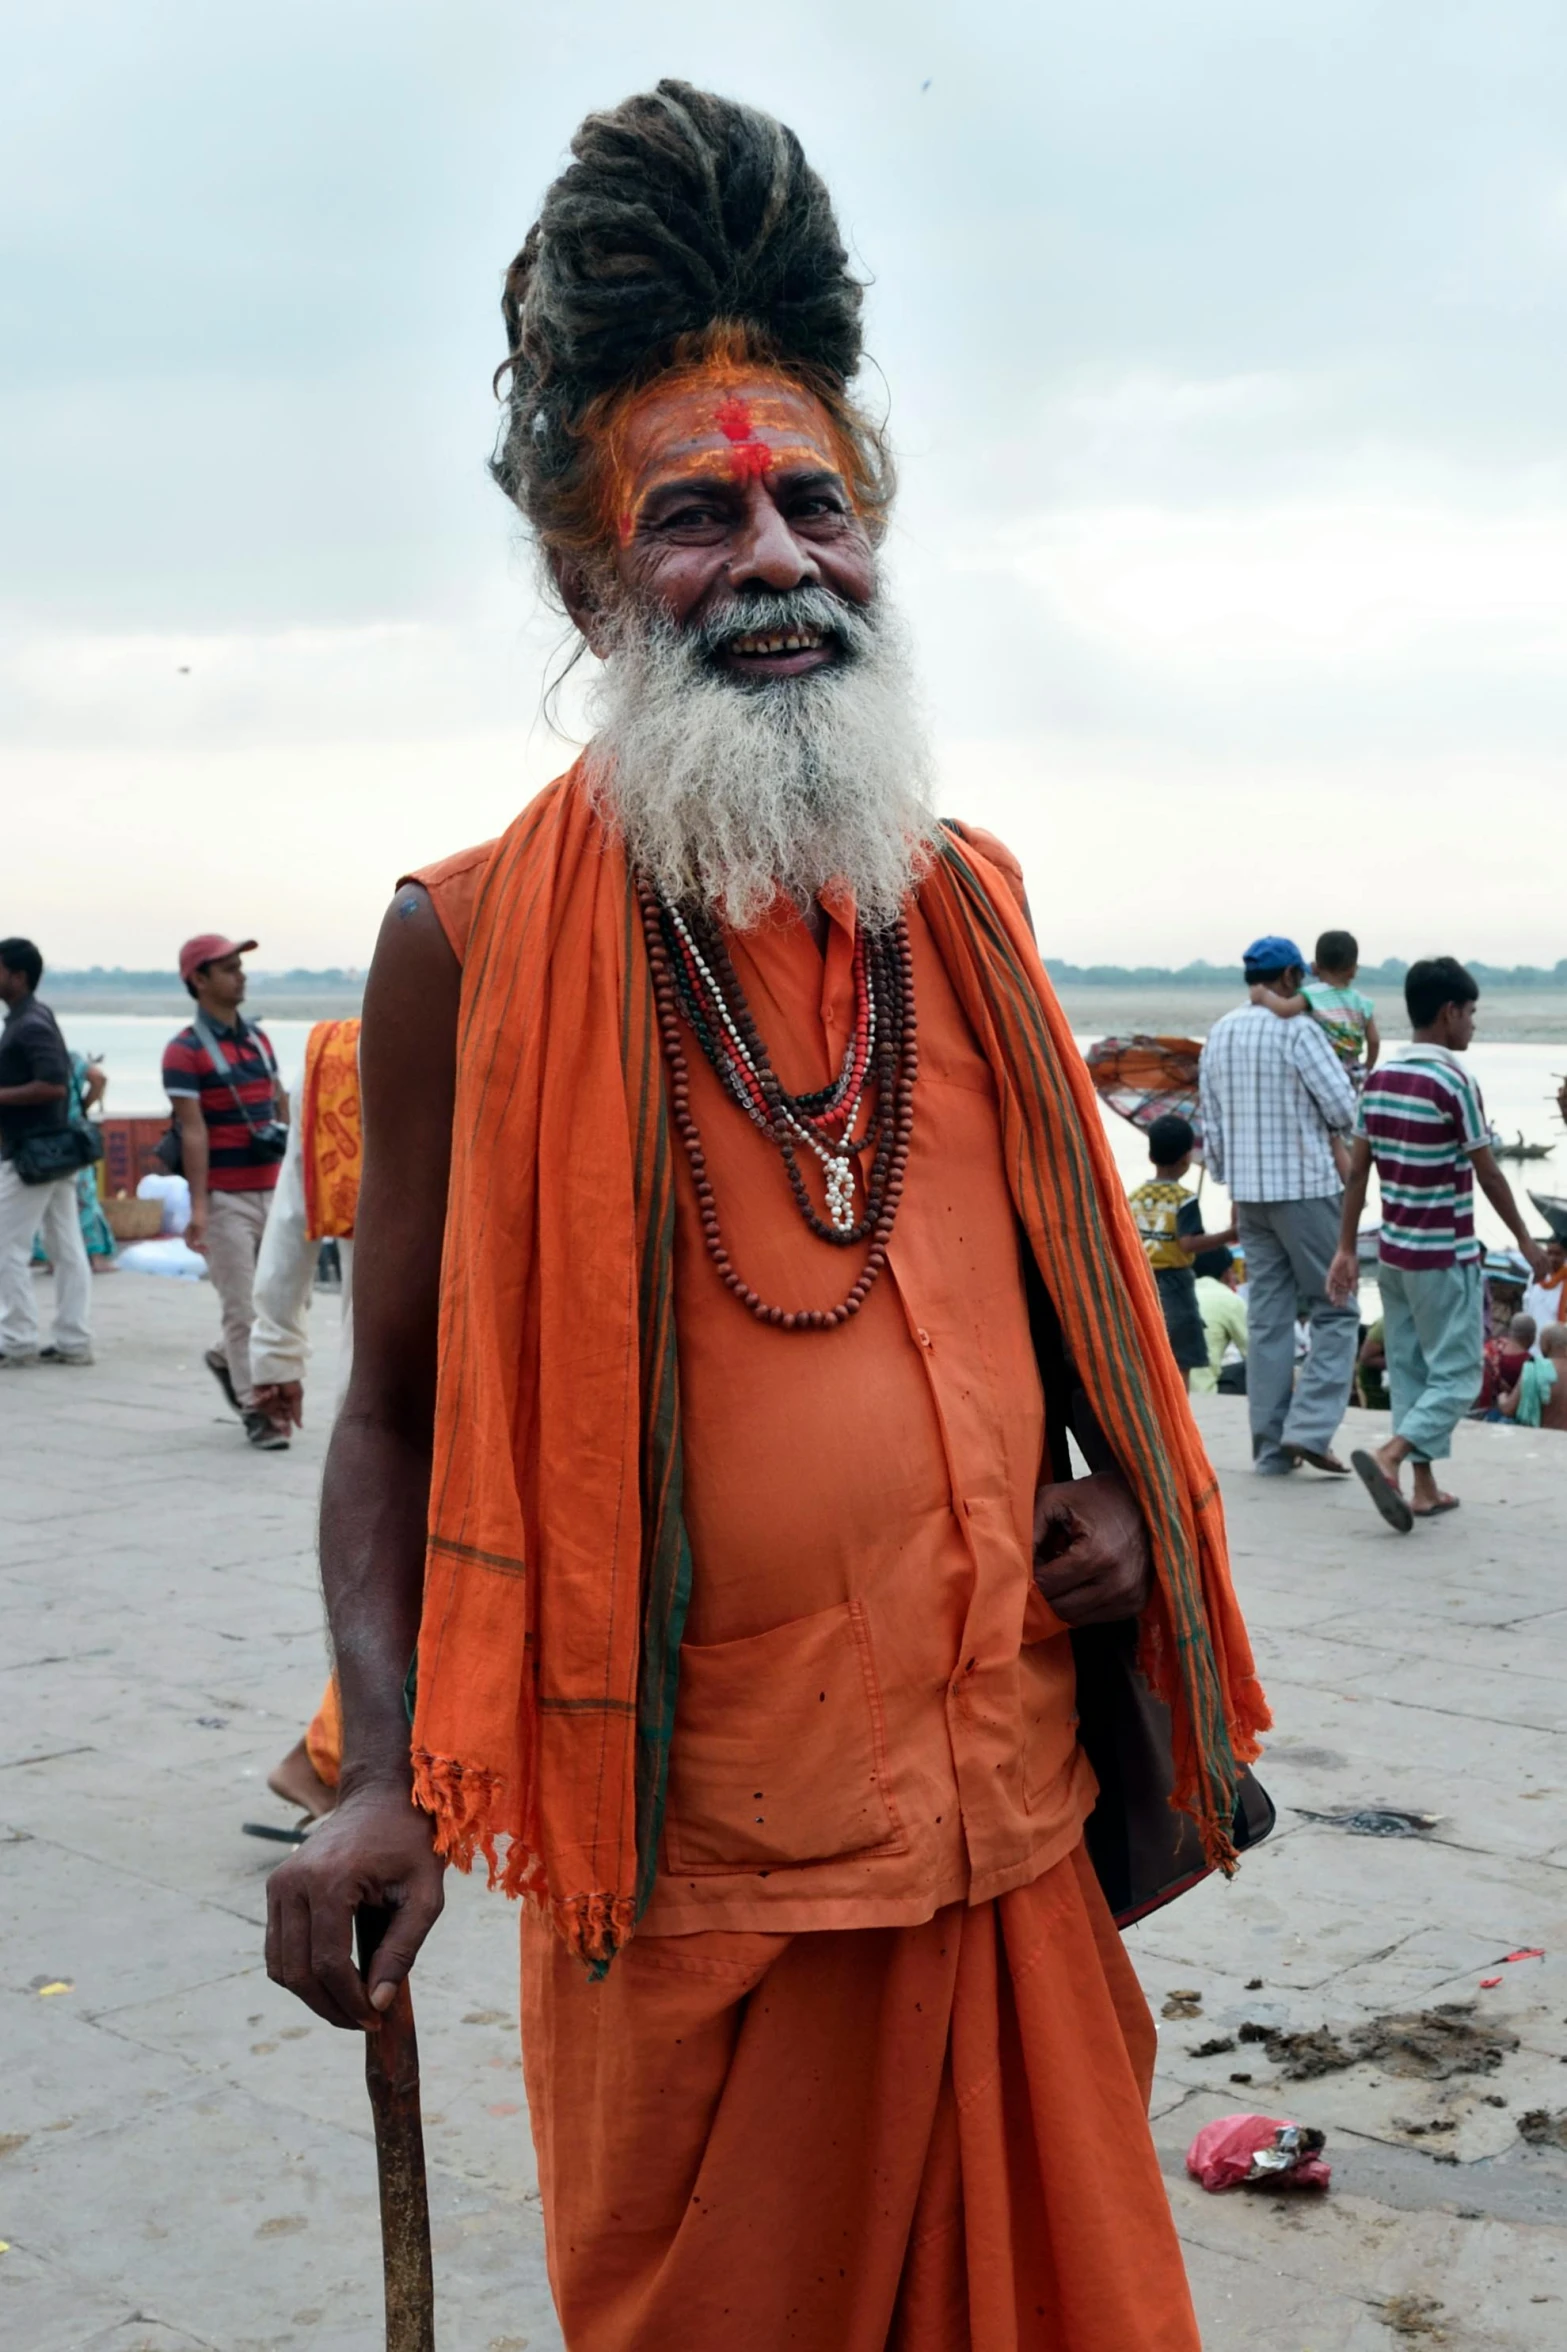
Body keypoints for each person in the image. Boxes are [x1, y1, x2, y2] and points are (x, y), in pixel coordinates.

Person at [264, 84, 1270, 2352]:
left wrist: (1104, 1497)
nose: (774, 559)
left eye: (810, 500)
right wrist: (388, 1776)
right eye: (697, 513)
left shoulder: (970, 914)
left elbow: (1057, 1336)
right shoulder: (468, 948)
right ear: (587, 574)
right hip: (694, 1910)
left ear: (876, 530)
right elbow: (391, 1420)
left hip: (1008, 1860)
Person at [1328, 956, 1547, 1528]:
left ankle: (1423, 1488)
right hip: (1444, 1256)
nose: (1473, 1024)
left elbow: (1358, 1174)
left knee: (1411, 1373)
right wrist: (1524, 1240)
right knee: (1459, 1375)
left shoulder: (1378, 1081)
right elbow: (1489, 1172)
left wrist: (1347, 1248)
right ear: (1449, 1011)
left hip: (1395, 1257)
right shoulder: (1452, 1080)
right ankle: (1392, 1455)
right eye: (1471, 1012)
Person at [250, 1017, 361, 1816]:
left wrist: (277, 1357)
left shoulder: (353, 1053)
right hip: (420, 1385)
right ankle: (324, 1761)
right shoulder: (357, 1053)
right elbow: (292, 1213)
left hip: (390, 1378)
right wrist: (274, 1355)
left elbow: (290, 1220)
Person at [1199, 933, 1359, 1476]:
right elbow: (1342, 1110)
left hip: (1250, 1196)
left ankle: (1270, 1449)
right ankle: (1309, 1430)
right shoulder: (1299, 1029)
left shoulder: (1219, 1033)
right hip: (1307, 1189)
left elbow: (1211, 1129)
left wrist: (1231, 1184)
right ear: (1291, 978)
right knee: (1336, 1309)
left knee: (1267, 1318)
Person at [162, 934, 290, 1450]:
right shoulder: (184, 1050)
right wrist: (198, 1209)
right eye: (229, 968)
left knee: (276, 1305)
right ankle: (257, 1410)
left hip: (272, 1190)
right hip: (226, 1197)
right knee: (242, 1309)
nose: (241, 976)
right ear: (199, 980)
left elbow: (279, 1103)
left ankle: (224, 1358)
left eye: (241, 966)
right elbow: (193, 1131)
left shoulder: (258, 1040)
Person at [0, 937, 94, 1367]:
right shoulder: (32, 1017)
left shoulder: (29, 1023)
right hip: (55, 1149)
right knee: (66, 1247)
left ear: (17, 977)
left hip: (32, 1155)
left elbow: (53, 1084)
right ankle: (73, 1339)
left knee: (7, 1247)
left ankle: (16, 1338)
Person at [1125, 1112, 1234, 1387]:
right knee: (1180, 1355)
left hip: (1140, 1281)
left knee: (1147, 1350)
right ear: (1187, 1158)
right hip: (1175, 1283)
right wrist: (1230, 1234)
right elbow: (1188, 1243)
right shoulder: (1184, 1199)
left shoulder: (1135, 1196)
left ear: (1151, 1155)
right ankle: (1179, 1410)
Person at [1248, 927, 1380, 1084]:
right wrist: (1368, 1066)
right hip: (1353, 1070)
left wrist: (1264, 996)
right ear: (1353, 971)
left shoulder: (1312, 995)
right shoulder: (1362, 1002)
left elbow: (1285, 1009)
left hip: (1324, 1068)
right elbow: (1374, 1041)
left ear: (1315, 968)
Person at [1189, 1243, 1248, 1396]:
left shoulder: (1177, 1295)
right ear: (1227, 1272)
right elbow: (1255, 1353)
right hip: (1204, 1393)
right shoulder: (1230, 1299)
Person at [1500, 1322, 1567, 1431]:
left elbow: (1508, 1409)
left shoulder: (1534, 1369)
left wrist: (1502, 1397)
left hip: (1541, 1441)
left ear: (1546, 1344)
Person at [1475, 1312, 1535, 1417]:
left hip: (1476, 1407)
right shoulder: (1527, 1363)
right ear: (1531, 1337)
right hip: (1505, 1415)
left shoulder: (1492, 1346)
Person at [1523, 1237, 1566, 1344]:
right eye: (1549, 1253)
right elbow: (1527, 1306)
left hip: (1558, 1342)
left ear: (1565, 1254)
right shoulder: (1536, 1275)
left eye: (1557, 1254)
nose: (1552, 1258)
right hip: (1535, 1339)